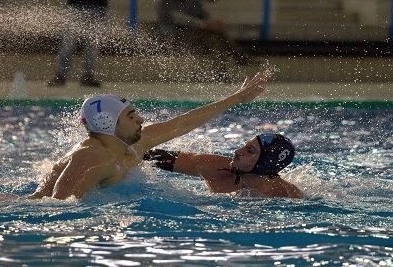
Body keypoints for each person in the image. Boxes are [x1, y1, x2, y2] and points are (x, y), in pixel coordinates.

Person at [28, 71, 272, 199]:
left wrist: (235, 99)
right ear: (107, 123)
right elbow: (57, 208)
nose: (141, 120)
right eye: (131, 116)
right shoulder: (92, 158)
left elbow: (183, 123)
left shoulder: (133, 143)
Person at [144, 134, 304, 199]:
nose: (237, 151)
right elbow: (158, 158)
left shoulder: (284, 194)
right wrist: (134, 154)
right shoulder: (218, 169)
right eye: (244, 145)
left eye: (249, 150)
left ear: (265, 164)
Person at [156, 0, 256, 72]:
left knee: (214, 38)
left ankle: (220, 70)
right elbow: (178, 18)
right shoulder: (166, 2)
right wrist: (205, 24)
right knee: (214, 33)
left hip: (198, 33)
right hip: (176, 34)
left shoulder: (192, 1)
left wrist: (212, 22)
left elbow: (205, 15)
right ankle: (238, 57)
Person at [47, 0, 117, 88]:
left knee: (93, 44)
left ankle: (87, 75)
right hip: (77, 3)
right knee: (69, 41)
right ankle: (60, 75)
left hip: (98, 3)